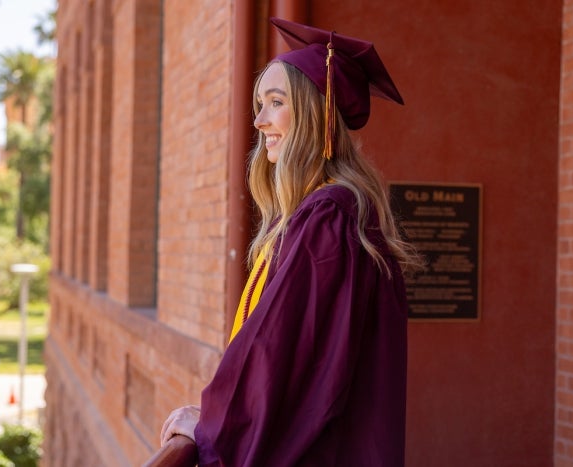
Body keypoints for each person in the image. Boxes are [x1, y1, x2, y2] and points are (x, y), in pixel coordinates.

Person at [160, 17, 422, 466]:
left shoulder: (330, 218)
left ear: (316, 115)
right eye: (259, 103)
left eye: (275, 102)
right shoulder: (325, 213)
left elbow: (279, 356)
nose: (259, 120)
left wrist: (207, 427)